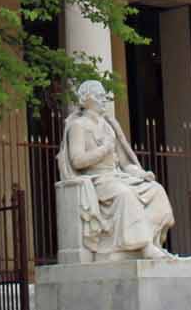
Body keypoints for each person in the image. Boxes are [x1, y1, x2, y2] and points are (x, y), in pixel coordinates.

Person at [57, 80, 174, 259]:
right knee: (125, 195)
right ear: (86, 99)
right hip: (97, 178)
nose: (104, 100)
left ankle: (140, 242)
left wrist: (139, 173)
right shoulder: (78, 126)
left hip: (117, 175)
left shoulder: (109, 126)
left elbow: (123, 164)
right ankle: (143, 246)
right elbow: (77, 160)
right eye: (99, 96)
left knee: (157, 190)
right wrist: (103, 149)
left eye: (104, 96)